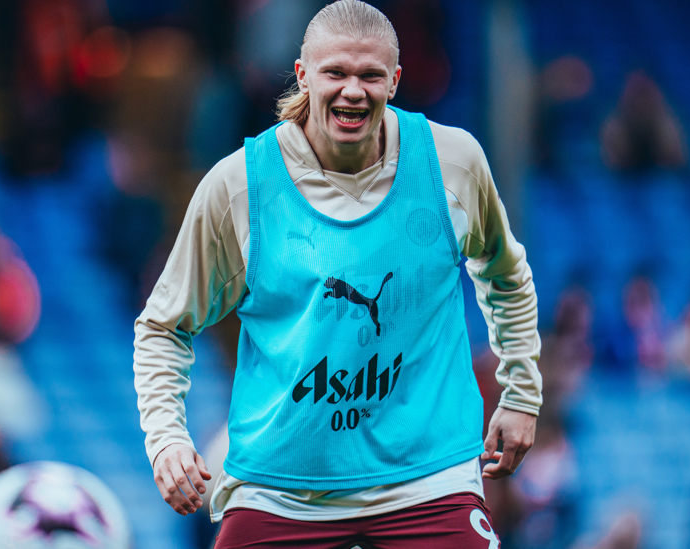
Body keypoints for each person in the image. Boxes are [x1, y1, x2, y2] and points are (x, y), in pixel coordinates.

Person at [133, 1, 542, 546]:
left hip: (429, 483)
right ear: (303, 75)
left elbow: (506, 275)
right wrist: (166, 439)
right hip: (280, 490)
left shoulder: (454, 161)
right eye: (336, 73)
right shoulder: (239, 187)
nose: (354, 90)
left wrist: (520, 394)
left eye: (371, 75)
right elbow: (163, 326)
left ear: (394, 81)